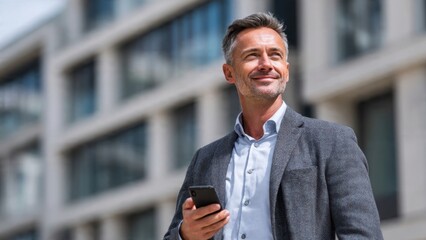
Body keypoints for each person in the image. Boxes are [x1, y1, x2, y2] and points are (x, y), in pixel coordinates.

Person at [164, 12, 383, 240]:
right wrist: (185, 234)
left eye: (275, 55)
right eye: (252, 56)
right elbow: (171, 236)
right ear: (229, 73)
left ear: (286, 71)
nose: (266, 64)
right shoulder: (205, 159)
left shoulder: (332, 141)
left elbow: (363, 235)